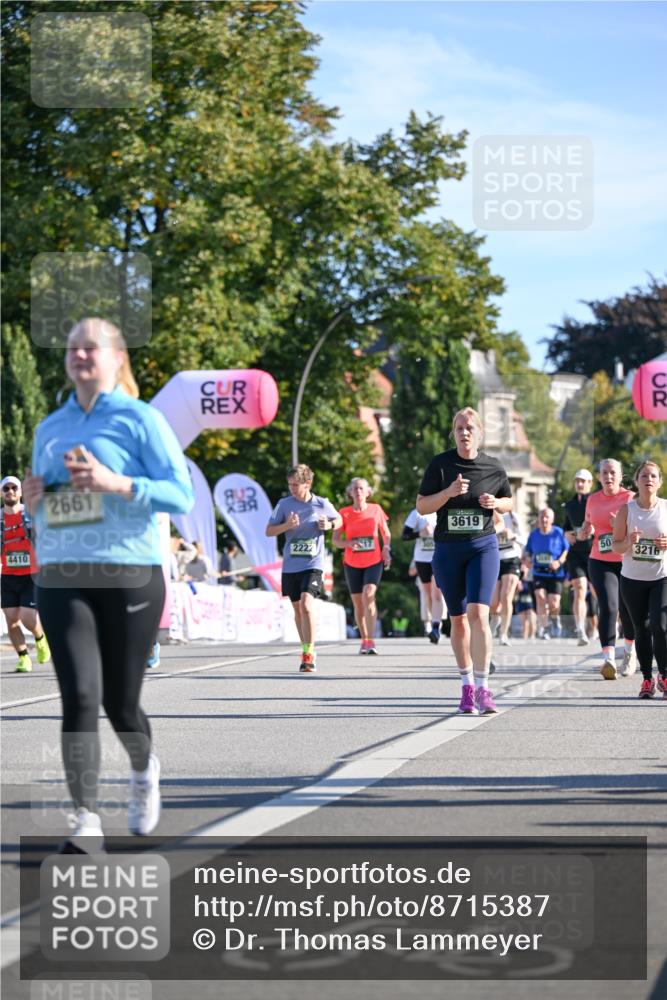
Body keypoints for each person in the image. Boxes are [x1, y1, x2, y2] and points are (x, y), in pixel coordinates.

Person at [23, 317, 193, 851]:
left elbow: (180, 496)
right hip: (62, 574)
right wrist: (36, 500)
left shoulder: (142, 421)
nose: (78, 355)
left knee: (120, 704)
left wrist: (115, 483)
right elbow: (49, 507)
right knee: (78, 694)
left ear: (117, 357)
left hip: (129, 574)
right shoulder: (49, 427)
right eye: (72, 347)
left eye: (89, 347)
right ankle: (86, 820)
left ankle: (144, 769)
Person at [416, 407, 512, 715]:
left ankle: (484, 689)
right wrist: (449, 492)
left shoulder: (493, 468)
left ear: (480, 433)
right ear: (453, 433)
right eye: (459, 428)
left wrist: (497, 503)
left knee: (479, 615)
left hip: (482, 546)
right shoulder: (440, 465)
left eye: (470, 427)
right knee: (457, 619)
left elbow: (509, 502)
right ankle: (467, 687)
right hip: (448, 550)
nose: (465, 432)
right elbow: (421, 507)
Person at [266, 464, 341, 673]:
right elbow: (269, 531)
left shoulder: (322, 504)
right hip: (291, 566)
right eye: (290, 484)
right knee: (297, 609)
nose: (292, 488)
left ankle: (309, 654)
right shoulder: (284, 504)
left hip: (313, 564)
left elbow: (340, 520)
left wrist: (330, 526)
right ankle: (305, 647)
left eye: (296, 485)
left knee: (307, 604)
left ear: (308, 484)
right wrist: (287, 526)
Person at [612, 460, 667, 699]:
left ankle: (664, 675)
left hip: (661, 577)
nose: (649, 480)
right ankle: (647, 679)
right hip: (632, 579)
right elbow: (616, 546)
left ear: (660, 482)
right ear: (636, 481)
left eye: (653, 476)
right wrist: (630, 543)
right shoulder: (627, 510)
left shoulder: (666, 508)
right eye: (644, 476)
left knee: (661, 626)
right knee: (641, 630)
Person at [579, 459, 636, 679]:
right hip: (599, 560)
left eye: (613, 473)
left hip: (626, 561)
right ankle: (608, 658)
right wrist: (585, 531)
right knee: (609, 606)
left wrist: (619, 526)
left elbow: (639, 530)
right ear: (599, 476)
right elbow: (589, 524)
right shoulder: (592, 500)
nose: (608, 477)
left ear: (621, 476)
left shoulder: (630, 498)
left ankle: (630, 653)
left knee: (628, 609)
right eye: (604, 472)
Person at [333, 477, 391, 655]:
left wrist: (386, 549)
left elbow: (385, 534)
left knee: (369, 594)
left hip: (374, 561)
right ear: (350, 493)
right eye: (355, 489)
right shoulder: (343, 513)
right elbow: (335, 541)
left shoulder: (376, 509)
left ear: (368, 492)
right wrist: (348, 544)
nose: (358, 492)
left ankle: (372, 640)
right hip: (352, 563)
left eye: (361, 489)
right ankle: (364, 639)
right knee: (358, 604)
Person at [1, 475, 51, 672]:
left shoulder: (31, 515)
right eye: (6, 488)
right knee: (11, 619)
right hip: (7, 575)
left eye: (14, 487)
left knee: (28, 618)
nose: (10, 491)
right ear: (1, 493)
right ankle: (23, 658)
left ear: (20, 492)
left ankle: (40, 638)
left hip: (31, 574)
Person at [523, 508, 570, 640]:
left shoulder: (558, 533)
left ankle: (555, 620)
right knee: (540, 597)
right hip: (538, 573)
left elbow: (566, 550)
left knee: (554, 603)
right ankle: (544, 628)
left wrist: (558, 562)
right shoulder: (533, 534)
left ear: (552, 519)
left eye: (547, 517)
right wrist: (527, 559)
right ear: (538, 518)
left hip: (555, 574)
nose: (544, 519)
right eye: (542, 517)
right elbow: (528, 551)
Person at [402, 507, 446, 643]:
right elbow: (405, 535)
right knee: (428, 595)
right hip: (421, 559)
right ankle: (434, 623)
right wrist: (420, 533)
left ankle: (436, 626)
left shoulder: (444, 510)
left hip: (440, 558)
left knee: (437, 593)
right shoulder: (417, 513)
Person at [563, 469, 594, 645]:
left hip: (594, 552)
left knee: (598, 592)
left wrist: (592, 531)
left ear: (590, 483)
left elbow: (602, 523)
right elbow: (566, 526)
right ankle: (580, 630)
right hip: (575, 553)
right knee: (580, 588)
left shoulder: (595, 501)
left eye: (583, 481)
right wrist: (567, 534)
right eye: (577, 481)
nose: (580, 484)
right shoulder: (569, 504)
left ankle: (608, 624)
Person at [489, 507, 525, 645]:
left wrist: (513, 536)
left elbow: (524, 540)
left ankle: (503, 634)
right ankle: (496, 619)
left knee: (506, 597)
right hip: (494, 559)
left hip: (511, 559)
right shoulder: (488, 515)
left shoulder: (513, 517)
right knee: (493, 603)